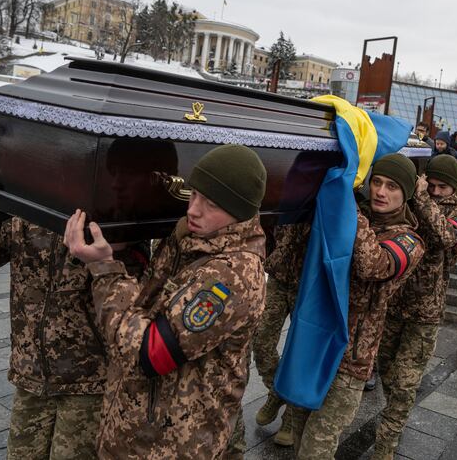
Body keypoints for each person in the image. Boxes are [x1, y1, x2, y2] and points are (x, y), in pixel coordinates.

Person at [63, 144, 268, 459]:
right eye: (194, 194)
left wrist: (105, 268)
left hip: (169, 445)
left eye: (210, 203)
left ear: (238, 213)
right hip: (138, 431)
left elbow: (151, 353)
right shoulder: (192, 239)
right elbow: (148, 305)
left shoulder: (231, 276)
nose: (193, 210)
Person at [0, 179, 149, 459]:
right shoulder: (30, 205)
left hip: (91, 383)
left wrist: (120, 247)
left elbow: (142, 293)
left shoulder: (113, 204)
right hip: (31, 374)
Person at [292, 154, 425, 460]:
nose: (380, 191)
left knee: (317, 446)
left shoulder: (409, 241)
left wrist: (346, 202)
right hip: (316, 342)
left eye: (391, 186)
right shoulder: (353, 213)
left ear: (405, 194)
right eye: (376, 182)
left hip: (351, 359)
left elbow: (372, 265)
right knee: (299, 430)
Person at [373, 156, 457, 459]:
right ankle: (395, 418)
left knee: (405, 382)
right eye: (431, 184)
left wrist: (419, 195)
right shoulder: (414, 202)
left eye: (443, 187)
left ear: (454, 187)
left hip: (425, 313)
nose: (436, 191)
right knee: (387, 372)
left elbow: (445, 236)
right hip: (392, 303)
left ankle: (386, 444)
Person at [252, 222, 311, 447]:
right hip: (278, 276)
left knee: (298, 352)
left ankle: (291, 417)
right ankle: (278, 392)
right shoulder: (286, 189)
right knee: (261, 341)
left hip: (308, 283)